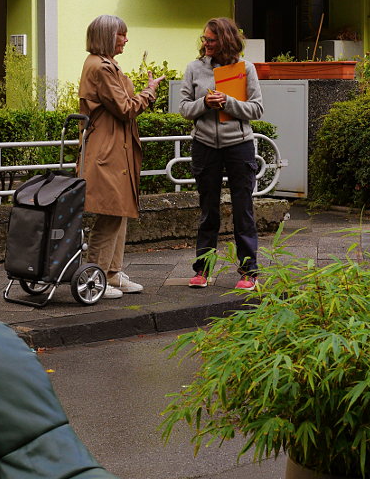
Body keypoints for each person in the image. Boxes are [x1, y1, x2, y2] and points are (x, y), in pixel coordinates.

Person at [78, 15, 164, 299]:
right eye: (121, 35)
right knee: (110, 214)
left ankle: (111, 274)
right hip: (108, 148)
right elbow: (125, 109)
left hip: (112, 146)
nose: (126, 39)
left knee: (119, 211)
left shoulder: (103, 64)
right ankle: (96, 276)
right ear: (107, 36)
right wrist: (149, 93)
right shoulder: (101, 67)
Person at [178, 17, 264, 290]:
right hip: (204, 145)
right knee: (208, 210)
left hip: (239, 145)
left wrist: (228, 102)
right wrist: (204, 102)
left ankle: (249, 272)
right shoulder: (193, 68)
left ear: (225, 41)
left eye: (211, 40)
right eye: (204, 39)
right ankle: (202, 270)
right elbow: (182, 108)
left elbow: (257, 109)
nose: (205, 44)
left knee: (243, 211)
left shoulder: (245, 68)